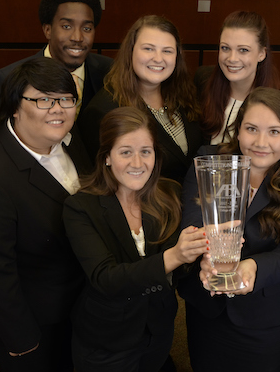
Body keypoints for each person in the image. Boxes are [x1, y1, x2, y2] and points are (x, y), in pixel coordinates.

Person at [0, 57, 92, 372]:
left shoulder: (68, 135)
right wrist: (22, 340)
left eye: (66, 99)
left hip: (81, 305)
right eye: (43, 99)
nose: (58, 109)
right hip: (36, 326)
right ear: (15, 107)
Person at [178, 87, 280, 372]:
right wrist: (206, 257)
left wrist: (253, 267)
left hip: (265, 321)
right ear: (238, 130)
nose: (261, 141)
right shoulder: (209, 161)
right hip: (208, 311)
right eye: (252, 129)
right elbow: (194, 222)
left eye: (273, 131)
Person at [63, 107, 207, 371]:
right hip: (106, 342)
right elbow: (106, 279)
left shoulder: (170, 196)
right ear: (107, 157)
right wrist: (174, 256)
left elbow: (181, 270)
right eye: (125, 152)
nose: (138, 163)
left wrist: (207, 257)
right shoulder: (80, 208)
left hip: (159, 331)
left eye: (146, 151)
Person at [78, 15, 202, 183]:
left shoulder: (185, 95)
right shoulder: (103, 110)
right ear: (130, 51)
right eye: (148, 49)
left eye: (167, 51)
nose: (158, 58)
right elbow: (101, 181)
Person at [0, 0, 113, 124]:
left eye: (87, 29)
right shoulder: (8, 78)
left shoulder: (111, 72)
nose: (77, 38)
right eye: (66, 26)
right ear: (47, 30)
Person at [197, 10, 280, 144]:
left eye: (243, 50)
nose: (232, 58)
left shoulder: (279, 105)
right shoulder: (202, 83)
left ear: (261, 54)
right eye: (225, 48)